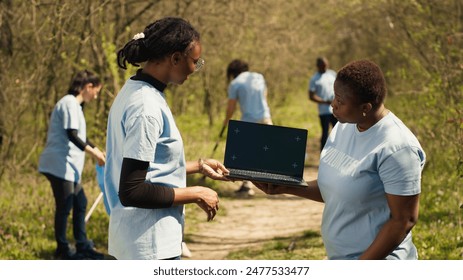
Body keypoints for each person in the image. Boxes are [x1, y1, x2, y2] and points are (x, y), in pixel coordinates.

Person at [254, 60, 426, 260]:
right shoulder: (344, 126)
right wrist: (286, 187)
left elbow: (404, 220)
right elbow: (336, 188)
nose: (333, 104)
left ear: (365, 107)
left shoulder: (397, 148)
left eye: (341, 101)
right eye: (334, 97)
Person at [104, 17, 229, 260]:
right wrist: (196, 193)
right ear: (175, 58)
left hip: (133, 241)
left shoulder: (137, 90)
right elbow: (133, 190)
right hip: (148, 246)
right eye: (195, 62)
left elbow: (145, 167)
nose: (195, 69)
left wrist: (197, 167)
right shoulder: (146, 107)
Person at [38, 70, 106, 260]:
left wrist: (99, 150)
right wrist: (94, 154)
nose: (96, 96)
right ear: (88, 87)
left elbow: (82, 138)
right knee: (65, 205)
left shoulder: (76, 107)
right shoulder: (69, 103)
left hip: (67, 167)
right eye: (96, 91)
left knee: (80, 201)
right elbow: (72, 135)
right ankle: (62, 251)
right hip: (58, 164)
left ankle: (82, 246)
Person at [223, 59, 273, 196]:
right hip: (265, 117)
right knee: (267, 150)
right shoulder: (259, 77)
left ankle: (247, 185)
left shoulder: (235, 83)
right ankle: (273, 182)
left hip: (248, 121)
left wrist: (226, 121)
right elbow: (265, 96)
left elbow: (231, 107)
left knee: (245, 154)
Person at [308, 57, 337, 152]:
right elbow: (311, 96)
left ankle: (338, 152)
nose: (325, 67)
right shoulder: (314, 79)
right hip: (324, 111)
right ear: (318, 66)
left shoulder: (332, 74)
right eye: (323, 66)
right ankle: (323, 153)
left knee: (337, 132)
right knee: (325, 132)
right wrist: (325, 101)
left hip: (336, 109)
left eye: (326, 65)